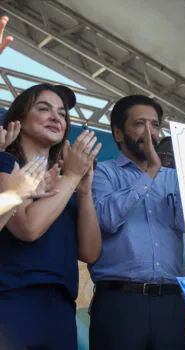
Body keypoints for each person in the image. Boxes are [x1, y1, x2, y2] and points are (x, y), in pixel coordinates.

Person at [0, 82, 101, 349]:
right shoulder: (7, 163)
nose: (56, 117)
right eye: (44, 109)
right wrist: (71, 177)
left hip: (61, 305)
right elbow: (28, 229)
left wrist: (84, 191)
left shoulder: (67, 175)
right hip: (13, 299)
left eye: (62, 113)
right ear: (19, 118)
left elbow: (90, 253)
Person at [89, 95, 185, 350]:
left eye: (155, 125)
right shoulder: (103, 172)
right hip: (120, 302)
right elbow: (107, 220)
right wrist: (149, 174)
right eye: (139, 124)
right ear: (118, 133)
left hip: (171, 303)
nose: (150, 133)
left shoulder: (175, 178)